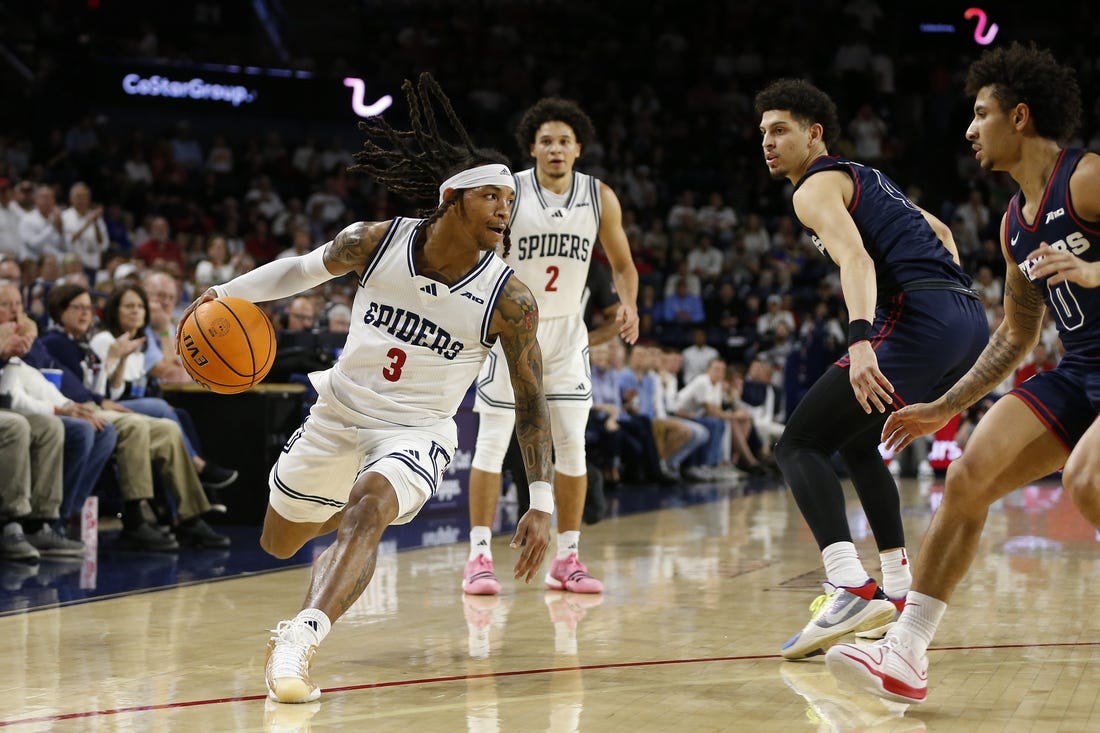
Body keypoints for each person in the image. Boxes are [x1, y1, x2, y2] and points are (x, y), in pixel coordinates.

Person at [179, 73, 555, 705]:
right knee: (279, 540)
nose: (503, 210)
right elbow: (300, 271)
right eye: (491, 196)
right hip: (339, 411)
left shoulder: (510, 299)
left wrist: (540, 496)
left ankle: (300, 636)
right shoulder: (373, 242)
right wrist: (227, 293)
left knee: (369, 508)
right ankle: (346, 540)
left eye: (509, 203)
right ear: (452, 199)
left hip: (417, 430)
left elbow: (532, 398)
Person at [826, 42, 1100, 704]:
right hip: (1082, 368)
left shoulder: (1087, 178)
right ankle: (907, 649)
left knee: (1085, 478)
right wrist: (943, 404)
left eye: (981, 114)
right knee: (970, 474)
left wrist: (1095, 270)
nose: (970, 129)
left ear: (1021, 117)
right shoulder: (1014, 225)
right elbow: (1015, 333)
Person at [753, 78, 989, 660]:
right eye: (762, 132)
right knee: (858, 445)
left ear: (814, 134)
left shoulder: (811, 189)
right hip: (966, 317)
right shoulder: (866, 175)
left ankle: (849, 586)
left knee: (798, 444)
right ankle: (900, 588)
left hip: (920, 317)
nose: (767, 141)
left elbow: (857, 258)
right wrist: (947, 293)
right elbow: (940, 232)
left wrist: (862, 341)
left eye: (780, 129)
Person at [463, 96, 638, 596]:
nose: (555, 148)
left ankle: (568, 559)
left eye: (564, 141)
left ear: (578, 148)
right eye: (546, 141)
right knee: (493, 443)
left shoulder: (599, 196)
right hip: (510, 329)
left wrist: (628, 304)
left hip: (566, 335)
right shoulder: (508, 191)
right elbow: (477, 251)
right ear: (533, 148)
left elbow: (624, 265)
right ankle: (477, 556)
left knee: (573, 449)